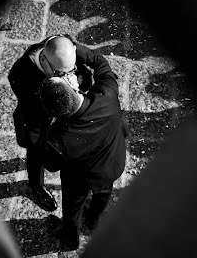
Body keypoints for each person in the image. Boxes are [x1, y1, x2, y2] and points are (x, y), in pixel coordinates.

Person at [37, 48, 126, 251]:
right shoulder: (107, 95)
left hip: (79, 179)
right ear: (73, 86)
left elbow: (50, 165)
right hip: (111, 165)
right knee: (103, 194)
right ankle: (93, 220)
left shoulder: (58, 137)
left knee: (72, 210)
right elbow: (101, 62)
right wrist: (74, 49)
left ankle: (70, 240)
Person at [7, 35, 96, 215]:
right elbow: (33, 108)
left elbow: (84, 71)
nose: (68, 76)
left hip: (64, 122)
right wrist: (58, 88)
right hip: (38, 124)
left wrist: (79, 84)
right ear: (45, 61)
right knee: (36, 153)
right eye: (61, 73)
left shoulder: (63, 49)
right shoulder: (21, 74)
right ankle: (35, 186)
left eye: (70, 71)